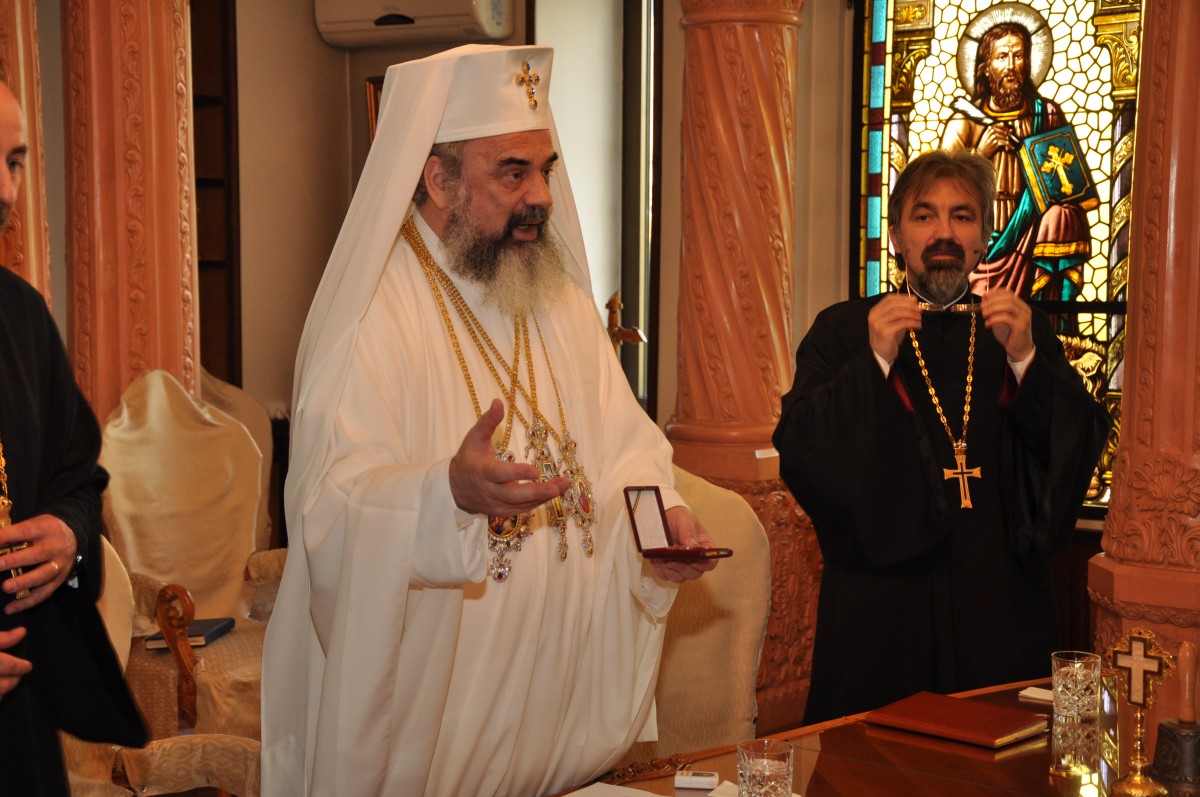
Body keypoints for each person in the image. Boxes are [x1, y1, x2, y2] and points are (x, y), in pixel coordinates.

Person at [262, 45, 717, 797]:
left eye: (546, 169)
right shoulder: (373, 316)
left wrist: (657, 522)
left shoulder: (557, 298)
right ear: (438, 178)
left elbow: (625, 450)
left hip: (559, 738)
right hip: (433, 740)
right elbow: (330, 510)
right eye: (512, 172)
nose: (540, 195)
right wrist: (445, 493)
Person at [773, 149, 1110, 724]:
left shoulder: (1020, 328)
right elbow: (803, 448)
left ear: (984, 239)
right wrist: (875, 362)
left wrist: (1026, 360)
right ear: (898, 237)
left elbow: (1074, 446)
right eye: (925, 216)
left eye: (962, 216)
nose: (944, 233)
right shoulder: (844, 330)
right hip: (883, 608)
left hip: (997, 601)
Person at [0, 75, 144, 793]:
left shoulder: (22, 317)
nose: (6, 191)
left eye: (15, 162)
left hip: (16, 720)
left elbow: (78, 480)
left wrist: (67, 535)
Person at [940, 9, 1092, 302]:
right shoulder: (965, 120)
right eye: (1002, 57)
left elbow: (1070, 189)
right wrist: (980, 153)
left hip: (1032, 241)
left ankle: (1049, 316)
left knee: (1063, 216)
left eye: (1018, 56)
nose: (1011, 66)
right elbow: (938, 189)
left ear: (1028, 63)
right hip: (979, 244)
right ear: (986, 68)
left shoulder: (1046, 115)